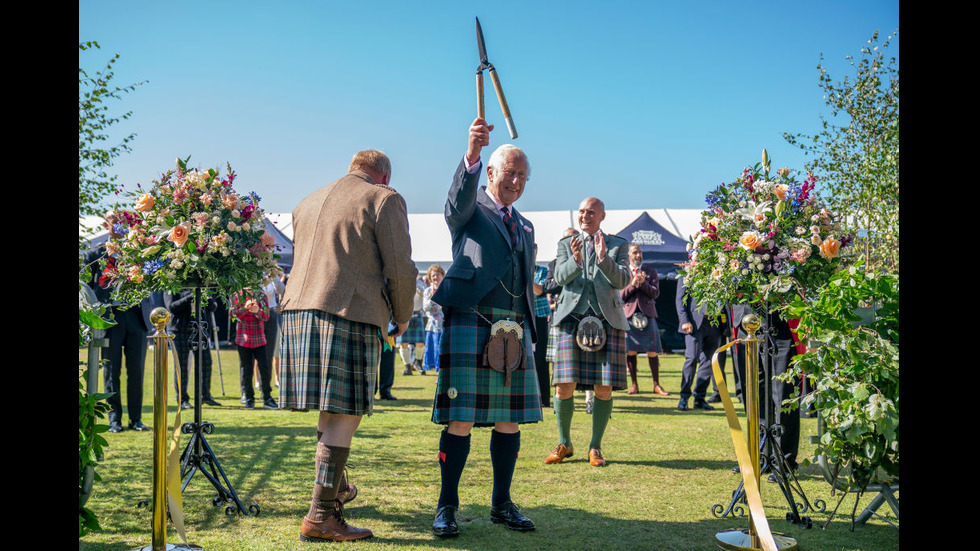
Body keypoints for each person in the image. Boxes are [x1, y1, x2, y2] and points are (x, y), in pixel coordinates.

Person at [277, 149, 417, 542]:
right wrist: (402, 314)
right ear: (384, 176)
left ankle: (335, 488)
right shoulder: (383, 198)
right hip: (347, 312)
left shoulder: (308, 200)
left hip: (296, 313)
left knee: (329, 413)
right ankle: (321, 516)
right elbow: (400, 266)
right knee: (344, 417)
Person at [429, 117, 541, 538]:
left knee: (509, 420)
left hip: (513, 328)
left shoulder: (526, 225)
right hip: (471, 321)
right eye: (509, 172)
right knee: (459, 419)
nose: (515, 180)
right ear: (491, 173)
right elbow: (454, 203)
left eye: (522, 176)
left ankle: (502, 503)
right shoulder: (471, 208)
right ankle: (446, 506)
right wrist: (472, 155)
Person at [545, 197, 631, 468]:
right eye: (582, 212)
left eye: (591, 212)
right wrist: (577, 261)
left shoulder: (618, 244)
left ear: (602, 216)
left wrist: (604, 259)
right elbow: (559, 279)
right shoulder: (565, 245)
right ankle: (564, 443)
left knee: (603, 388)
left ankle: (595, 446)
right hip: (572, 318)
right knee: (563, 386)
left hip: (608, 320)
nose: (585, 216)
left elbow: (623, 280)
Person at [620, 244, 668, 396]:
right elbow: (620, 296)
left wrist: (643, 283)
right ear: (628, 255)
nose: (638, 255)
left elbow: (655, 293)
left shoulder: (650, 271)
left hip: (647, 314)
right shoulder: (623, 272)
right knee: (631, 351)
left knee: (653, 351)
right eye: (634, 252)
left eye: (639, 252)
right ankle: (634, 385)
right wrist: (633, 285)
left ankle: (656, 385)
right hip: (629, 314)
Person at [674, 276, 728, 412]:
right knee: (692, 358)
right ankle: (684, 398)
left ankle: (699, 398)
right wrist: (684, 320)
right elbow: (680, 299)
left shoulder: (718, 272)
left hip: (713, 322)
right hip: (694, 322)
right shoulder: (687, 274)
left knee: (709, 361)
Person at [163, 289, 221, 409]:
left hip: (200, 329)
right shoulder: (173, 284)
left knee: (205, 363)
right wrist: (191, 296)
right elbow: (171, 307)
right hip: (179, 329)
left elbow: (213, 307)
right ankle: (182, 398)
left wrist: (206, 297)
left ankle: (205, 395)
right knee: (181, 365)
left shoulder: (201, 284)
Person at [231, 287, 276, 410]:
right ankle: (249, 398)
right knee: (246, 370)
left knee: (265, 368)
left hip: (259, 338)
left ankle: (267, 397)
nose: (249, 287)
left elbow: (266, 316)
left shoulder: (261, 296)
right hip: (243, 339)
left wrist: (258, 311)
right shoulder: (237, 295)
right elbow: (232, 314)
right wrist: (245, 309)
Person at [531, 249, 552, 408]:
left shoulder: (543, 271)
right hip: (523, 317)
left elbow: (540, 291)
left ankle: (544, 399)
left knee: (541, 360)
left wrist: (526, 278)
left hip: (539, 318)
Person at [399, 274, 427, 375]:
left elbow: (425, 293)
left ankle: (418, 364)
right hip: (404, 314)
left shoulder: (420, 283)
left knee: (420, 343)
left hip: (417, 314)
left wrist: (415, 284)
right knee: (404, 343)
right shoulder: (401, 282)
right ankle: (407, 368)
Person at [422, 264, 445, 374]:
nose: (435, 277)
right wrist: (433, 299)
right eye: (433, 275)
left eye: (437, 275)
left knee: (443, 351)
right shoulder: (427, 291)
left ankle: (442, 373)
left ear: (442, 275)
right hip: (433, 326)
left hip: (445, 325)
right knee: (435, 350)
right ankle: (438, 373)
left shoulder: (446, 288)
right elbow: (425, 307)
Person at [377, 332, 397, 400]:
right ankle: (370, 390)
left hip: (389, 331)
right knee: (370, 359)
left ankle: (385, 390)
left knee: (388, 360)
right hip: (371, 327)